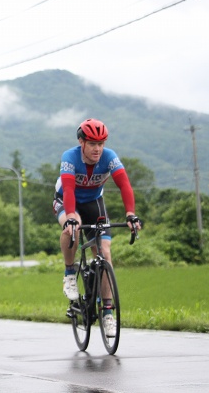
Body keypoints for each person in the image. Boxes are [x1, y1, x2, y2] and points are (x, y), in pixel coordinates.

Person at [53, 118, 142, 337]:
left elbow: (124, 185)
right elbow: (69, 190)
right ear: (81, 142)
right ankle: (69, 273)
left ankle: (108, 313)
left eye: (101, 143)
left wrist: (130, 214)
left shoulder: (109, 157)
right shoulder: (70, 157)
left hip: (94, 202)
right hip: (67, 199)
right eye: (92, 143)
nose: (98, 149)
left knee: (105, 253)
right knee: (71, 228)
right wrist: (72, 218)